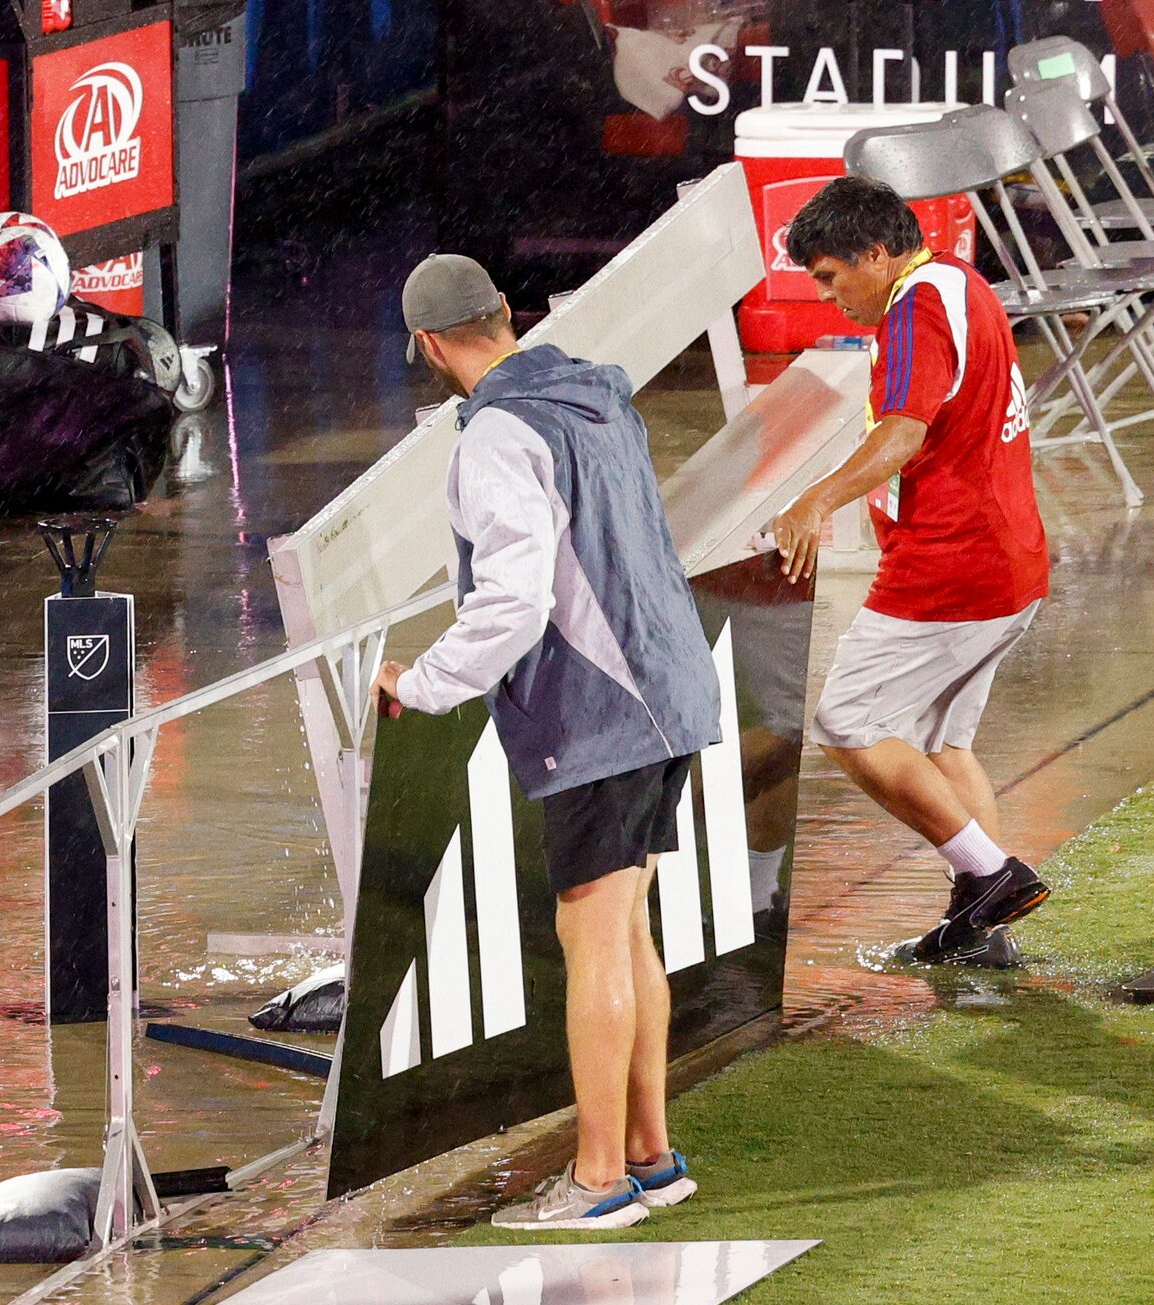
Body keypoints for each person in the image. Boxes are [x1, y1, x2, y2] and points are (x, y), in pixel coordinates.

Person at [373, 253, 724, 1231]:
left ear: (434, 346)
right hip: (671, 687)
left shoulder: (494, 436)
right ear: (506, 316)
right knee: (626, 929)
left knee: (595, 937)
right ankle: (652, 1157)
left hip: (602, 715)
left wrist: (425, 682)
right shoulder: (596, 395)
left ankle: (601, 1178)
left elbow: (514, 603)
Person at [769, 176, 1050, 965]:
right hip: (1007, 563)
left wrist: (811, 502)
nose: (829, 297)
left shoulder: (914, 307)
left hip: (950, 571)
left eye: (830, 277)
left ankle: (989, 876)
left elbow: (899, 437)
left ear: (875, 252)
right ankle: (980, 933)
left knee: (846, 722)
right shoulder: (959, 281)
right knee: (940, 744)